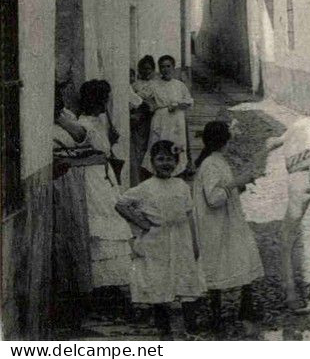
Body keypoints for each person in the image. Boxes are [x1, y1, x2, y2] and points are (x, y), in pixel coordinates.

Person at [116, 140, 206, 340]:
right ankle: (164, 331)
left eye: (170, 160)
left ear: (177, 162)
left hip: (181, 238)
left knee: (187, 280)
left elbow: (189, 214)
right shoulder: (146, 187)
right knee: (159, 283)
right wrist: (143, 224)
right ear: (152, 162)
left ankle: (191, 327)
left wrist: (194, 242)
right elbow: (121, 204)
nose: (165, 164)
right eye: (160, 159)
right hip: (157, 242)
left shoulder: (181, 186)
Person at [193, 121, 264, 334]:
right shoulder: (211, 165)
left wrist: (239, 185)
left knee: (242, 258)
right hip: (217, 225)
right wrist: (236, 182)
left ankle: (245, 308)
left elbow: (223, 192)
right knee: (219, 265)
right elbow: (214, 198)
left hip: (226, 222)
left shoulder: (215, 161)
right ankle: (218, 316)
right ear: (225, 142)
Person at [76, 80, 133, 291]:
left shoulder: (99, 121)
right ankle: (100, 284)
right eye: (103, 99)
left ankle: (113, 282)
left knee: (112, 219)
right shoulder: (83, 125)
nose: (105, 103)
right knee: (100, 226)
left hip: (105, 175)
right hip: (93, 178)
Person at [52, 83, 93, 322]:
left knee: (75, 236)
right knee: (60, 240)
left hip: (71, 182)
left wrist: (59, 118)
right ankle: (62, 301)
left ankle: (77, 297)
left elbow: (81, 136)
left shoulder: (65, 116)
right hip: (55, 184)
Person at [143, 55, 194, 178]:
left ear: (173, 67)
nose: (165, 69)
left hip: (176, 119)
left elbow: (189, 101)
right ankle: (158, 173)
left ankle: (177, 171)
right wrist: (152, 105)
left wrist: (177, 105)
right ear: (159, 69)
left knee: (176, 144)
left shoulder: (179, 85)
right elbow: (141, 96)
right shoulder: (154, 84)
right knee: (159, 143)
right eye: (162, 67)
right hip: (161, 118)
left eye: (168, 66)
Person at [131, 56, 157, 185]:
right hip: (139, 121)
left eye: (149, 69)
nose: (146, 71)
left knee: (150, 146)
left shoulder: (156, 85)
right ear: (139, 70)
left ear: (153, 70)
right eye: (143, 69)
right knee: (138, 148)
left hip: (152, 120)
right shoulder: (135, 85)